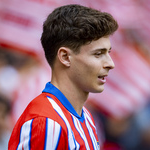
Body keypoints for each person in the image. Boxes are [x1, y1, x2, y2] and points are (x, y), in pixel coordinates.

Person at [8, 4, 118, 150]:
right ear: (65, 57)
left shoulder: (85, 116)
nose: (111, 64)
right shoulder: (47, 123)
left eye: (108, 53)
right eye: (98, 54)